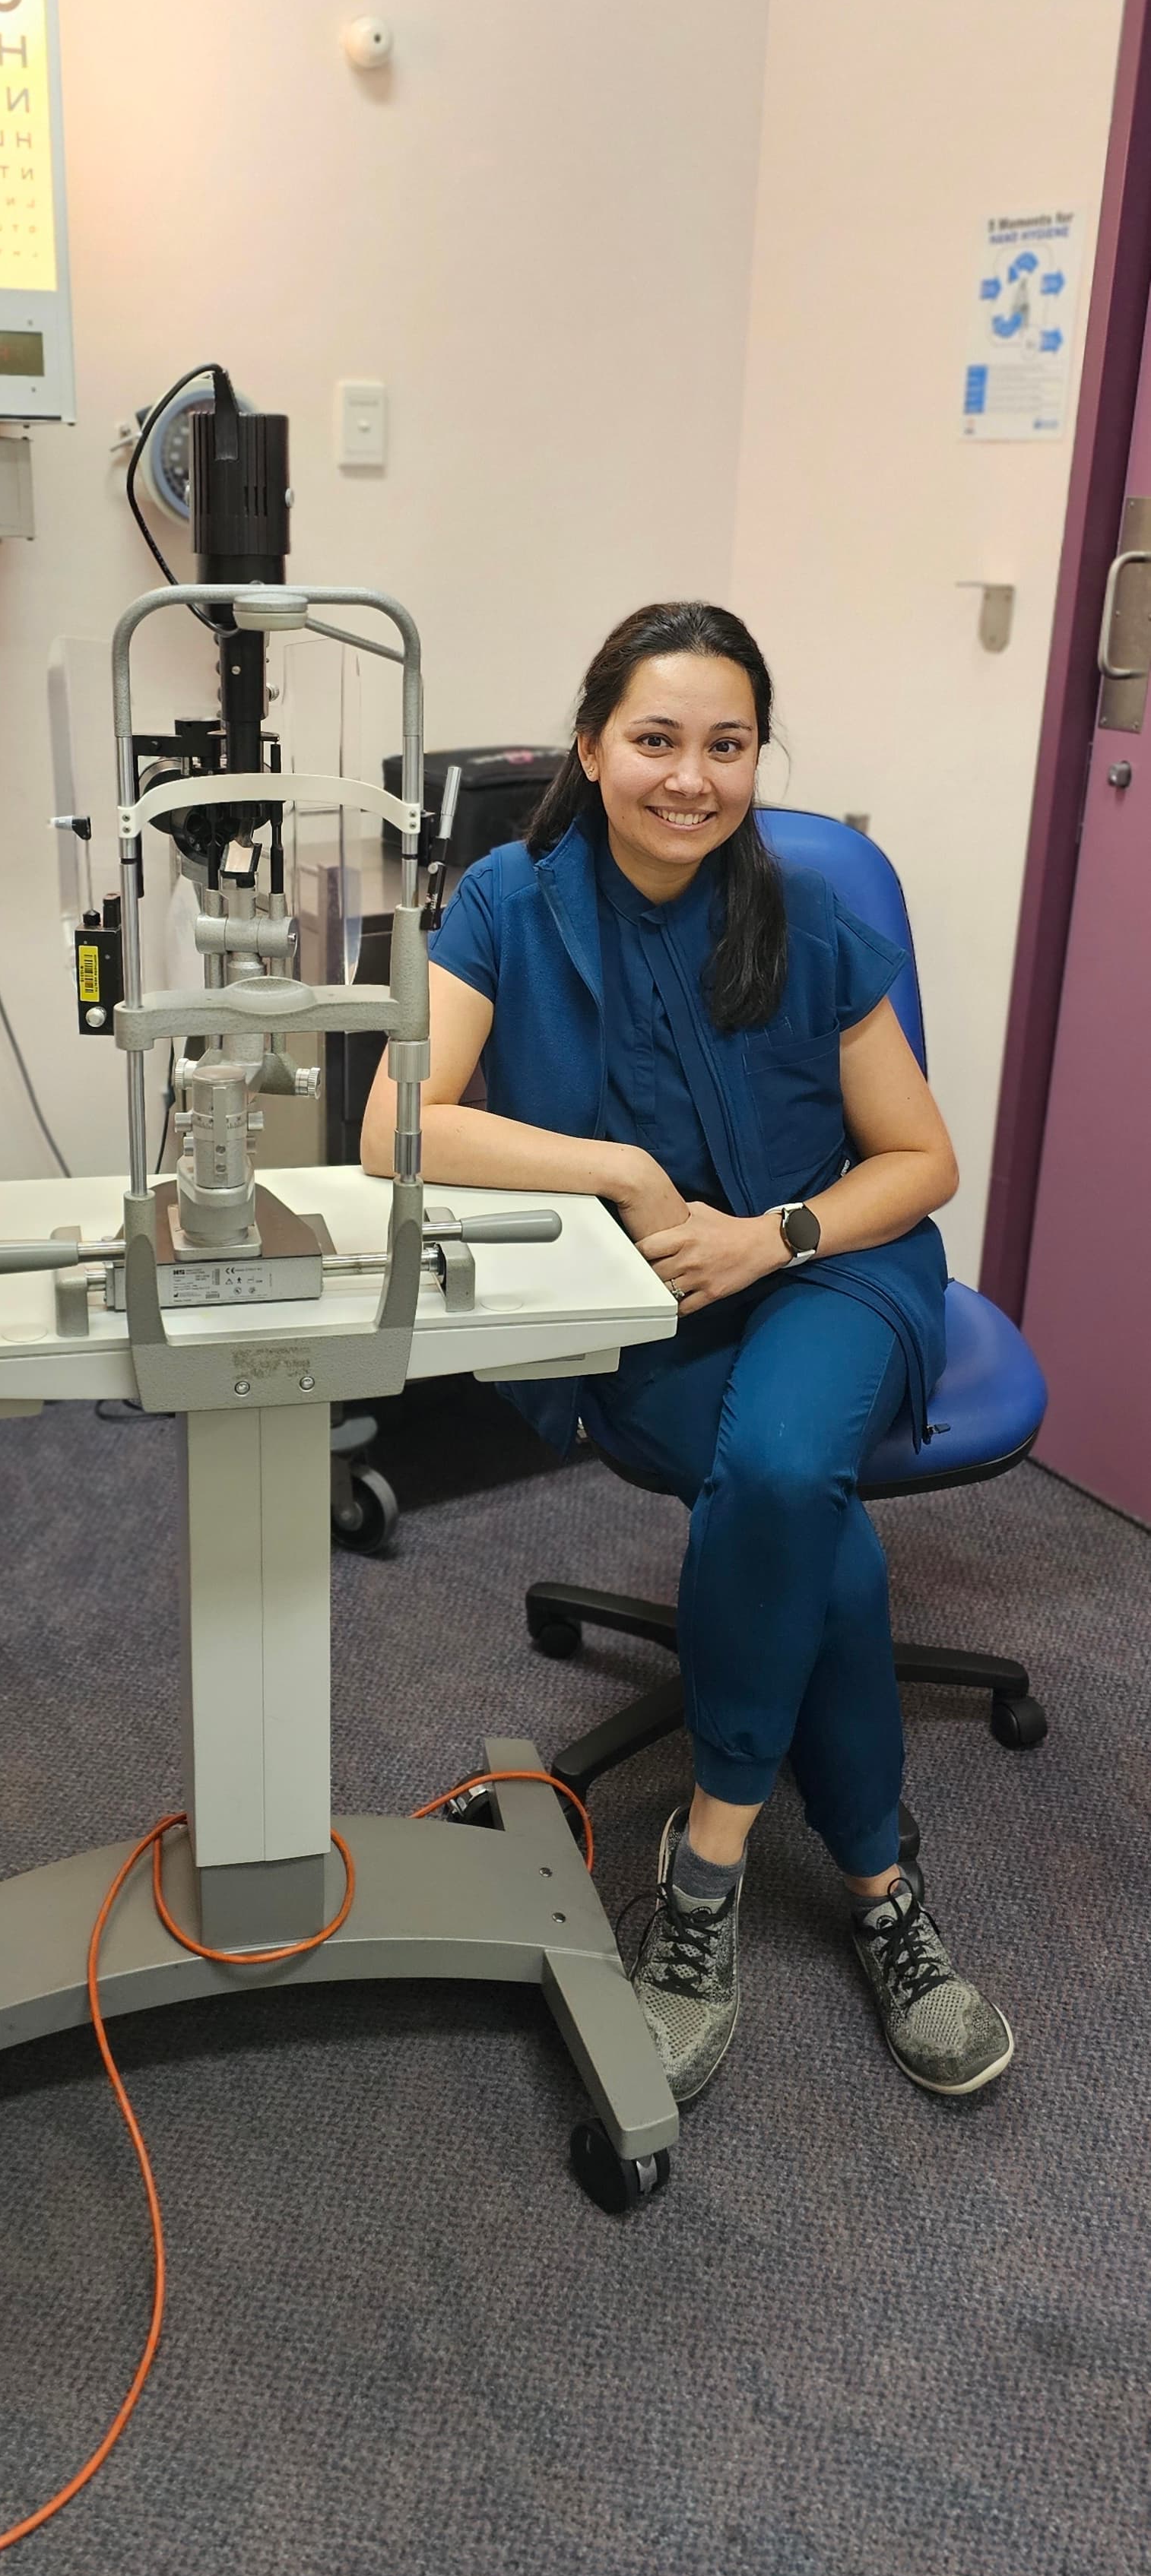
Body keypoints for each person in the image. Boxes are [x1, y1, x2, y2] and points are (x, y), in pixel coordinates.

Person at [360, 601, 1013, 2106]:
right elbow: (399, 1122)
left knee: (782, 1467)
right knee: (820, 1533)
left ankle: (709, 1871)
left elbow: (920, 1161)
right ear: (592, 747)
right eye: (655, 738)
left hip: (828, 1269)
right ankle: (883, 1891)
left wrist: (775, 1234)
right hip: (645, 1295)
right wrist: (625, 1173)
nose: (691, 776)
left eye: (727, 745)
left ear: (756, 760)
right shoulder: (508, 902)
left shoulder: (807, 913)